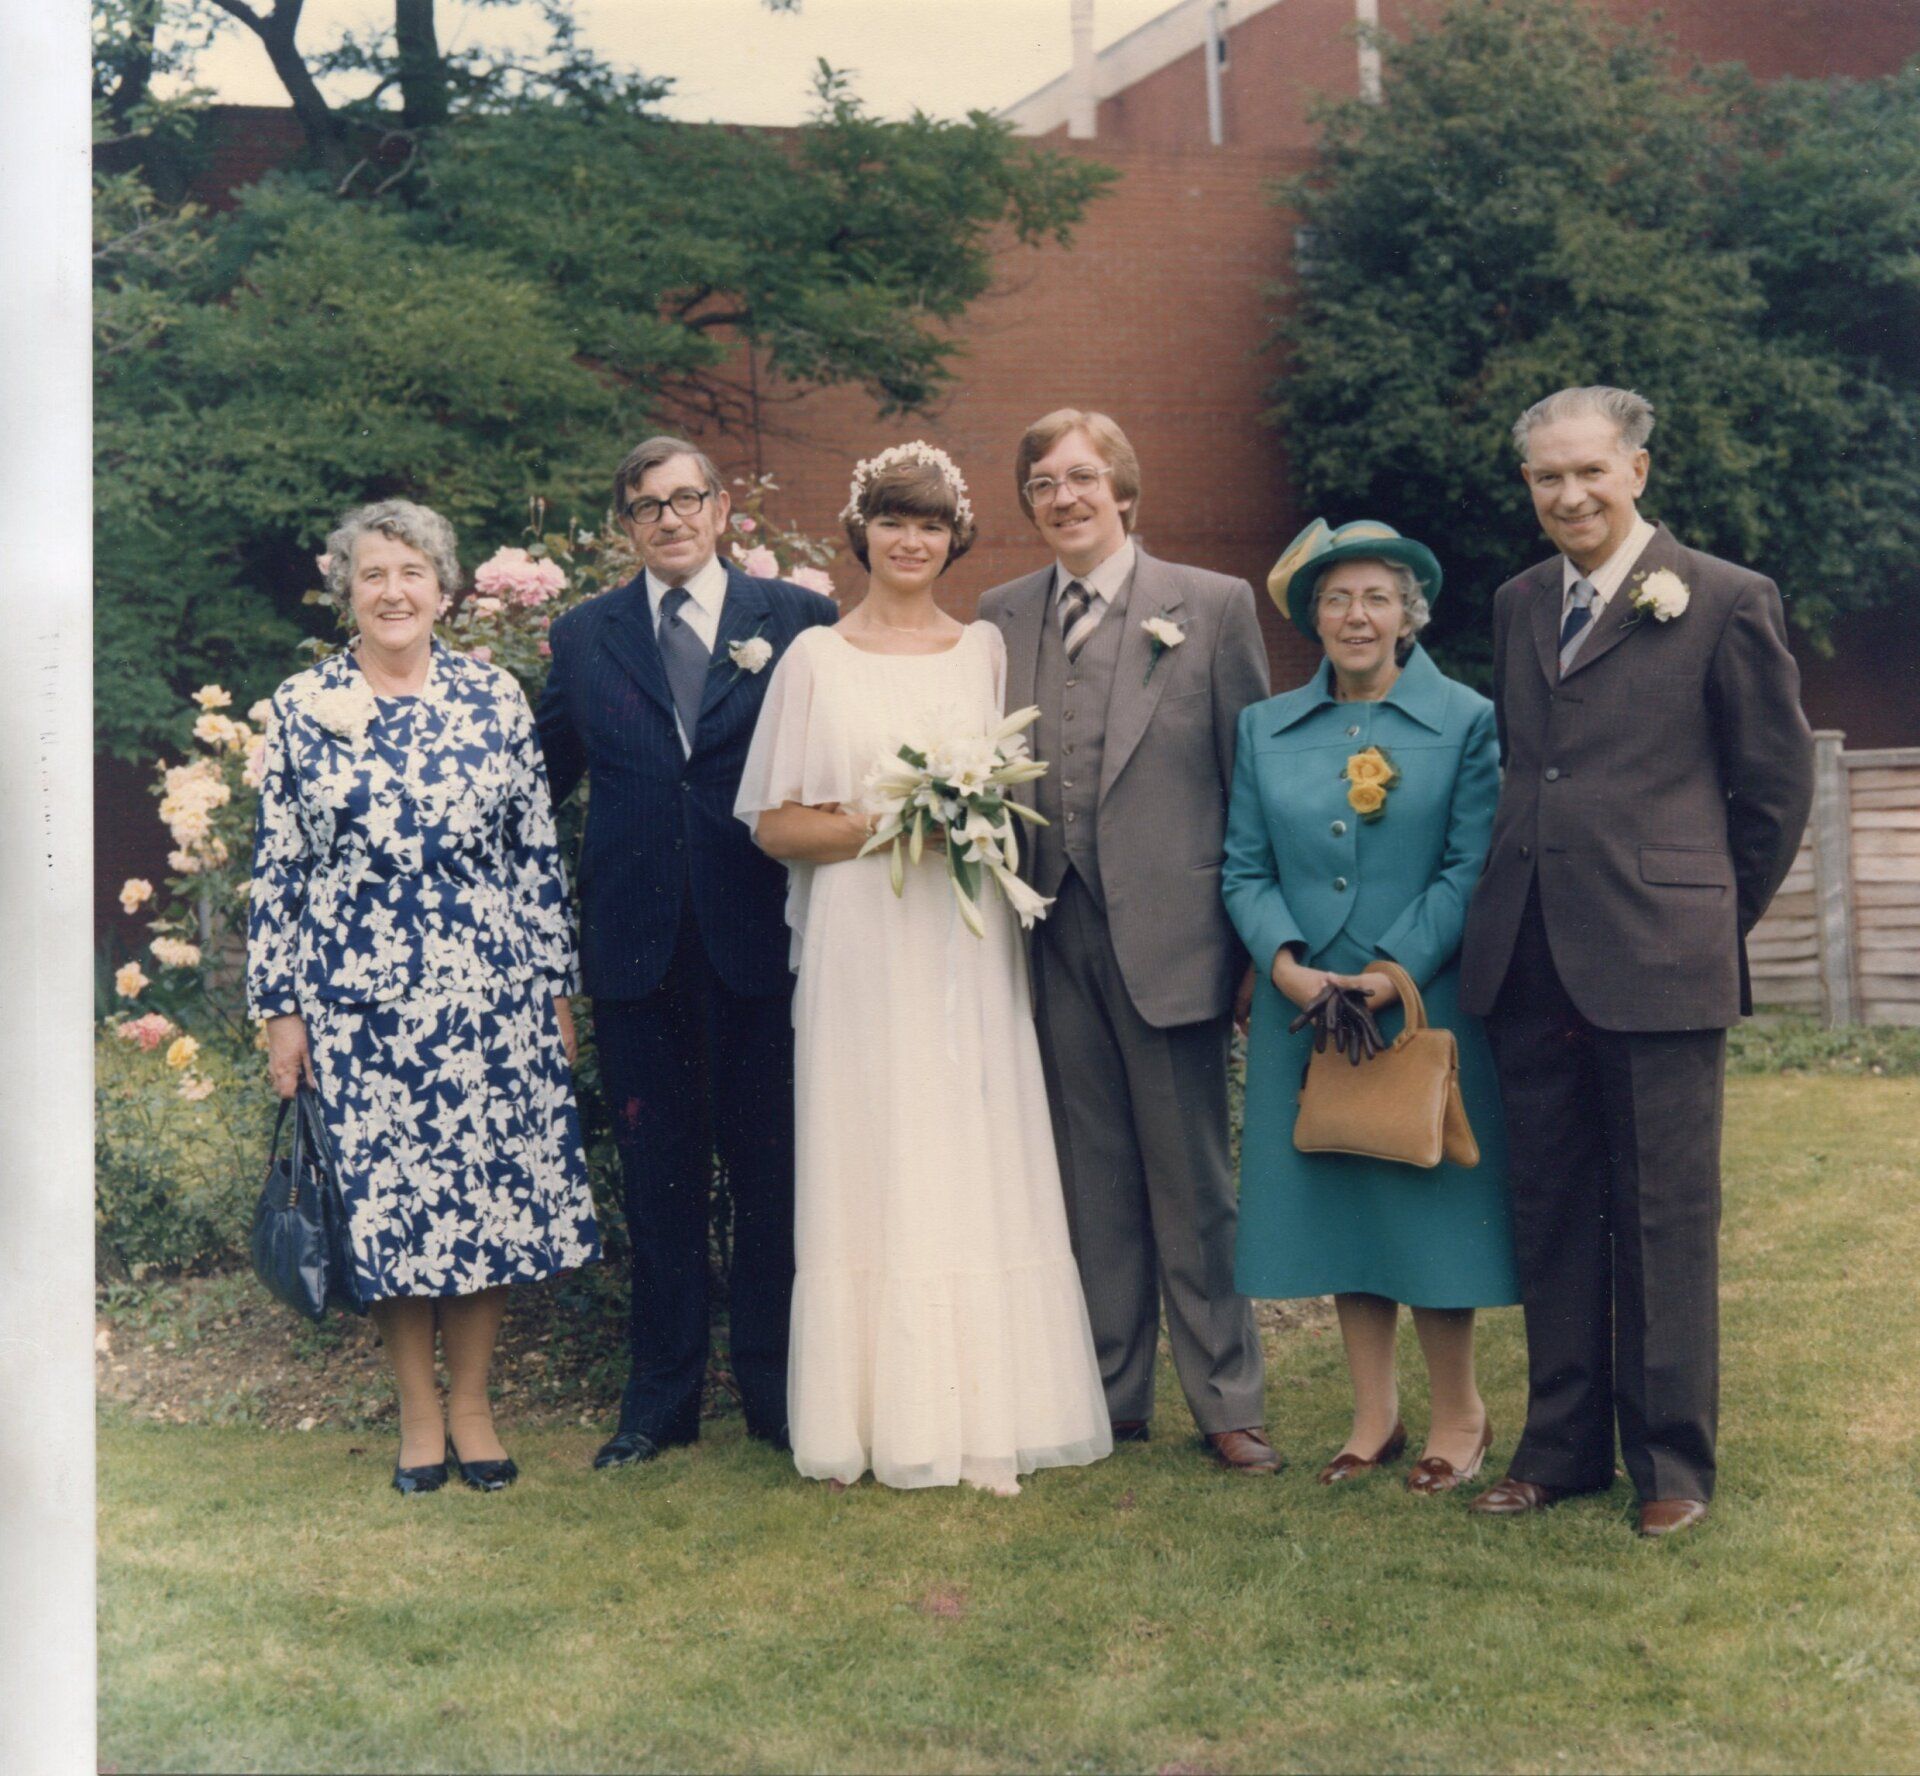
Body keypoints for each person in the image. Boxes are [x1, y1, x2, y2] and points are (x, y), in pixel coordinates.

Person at [1458, 386, 1814, 1537]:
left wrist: (1702, 914)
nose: (1569, 495)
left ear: (1639, 472)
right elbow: (1529, 767)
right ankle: (1558, 1451)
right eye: (1546, 478)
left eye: (1589, 473)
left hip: (1659, 953)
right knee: (1553, 1209)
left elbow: (1773, 791)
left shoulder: (1722, 598)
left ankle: (1671, 1465)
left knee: (1662, 1216)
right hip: (1529, 953)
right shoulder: (1518, 604)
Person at [736, 442, 1111, 1494]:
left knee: (969, 1139)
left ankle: (993, 1412)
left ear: (956, 539)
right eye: (895, 522)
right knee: (873, 1146)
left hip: (963, 936)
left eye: (933, 524)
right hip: (862, 937)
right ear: (863, 534)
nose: (912, 541)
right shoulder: (816, 660)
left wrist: (964, 817)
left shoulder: (984, 652)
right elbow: (775, 827)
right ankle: (869, 1418)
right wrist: (898, 819)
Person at [248, 499, 599, 1496]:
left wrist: (553, 988)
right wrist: (283, 1012)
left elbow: (534, 855)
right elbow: (279, 870)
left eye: (412, 572)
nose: (394, 591)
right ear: (346, 593)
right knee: (388, 1206)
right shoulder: (304, 705)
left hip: (485, 992)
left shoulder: (495, 700)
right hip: (355, 1001)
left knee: (480, 1199)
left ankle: (476, 1407)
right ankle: (415, 1414)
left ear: (444, 590)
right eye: (373, 574)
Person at [978, 409, 1278, 1473]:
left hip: (1177, 941)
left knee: (1194, 1184)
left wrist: (1249, 951)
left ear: (1125, 493)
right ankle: (1110, 1394)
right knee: (1088, 1179)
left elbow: (1258, 785)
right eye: (1044, 482)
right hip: (1049, 934)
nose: (1063, 497)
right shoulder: (999, 618)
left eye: (1082, 478)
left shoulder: (1209, 605)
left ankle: (1228, 1400)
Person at [537, 437, 838, 1469]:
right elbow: (535, 788)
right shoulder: (583, 639)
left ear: (720, 511)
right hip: (635, 954)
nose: (668, 519)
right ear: (625, 525)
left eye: (686, 499)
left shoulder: (795, 623)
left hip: (764, 942)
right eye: (644, 506)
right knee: (659, 1188)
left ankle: (775, 1391)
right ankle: (659, 1404)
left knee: (771, 1181)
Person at [1224, 519, 1518, 1493]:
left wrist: (1392, 970)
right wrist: (1292, 968)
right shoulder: (1265, 728)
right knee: (1345, 1200)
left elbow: (1471, 865)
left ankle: (1460, 1415)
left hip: (1419, 1004)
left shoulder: (1466, 720)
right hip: (1307, 1009)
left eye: (1376, 598)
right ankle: (1372, 1415)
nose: (1357, 616)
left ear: (1409, 614)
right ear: (1314, 615)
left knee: (1427, 1199)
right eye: (1337, 599)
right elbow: (1243, 869)